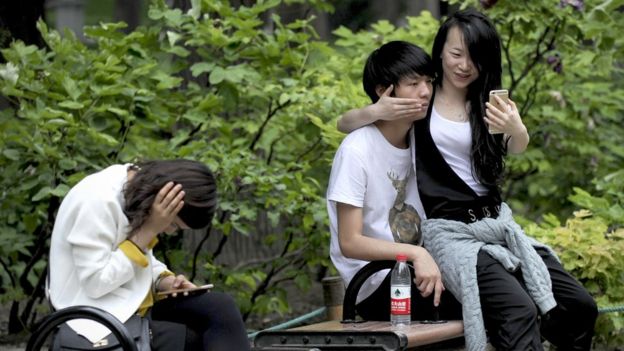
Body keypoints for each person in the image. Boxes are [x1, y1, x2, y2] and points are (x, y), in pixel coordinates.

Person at [337, 8, 597, 351]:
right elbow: (348, 124)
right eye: (456, 54)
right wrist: (377, 110)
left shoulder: (485, 103)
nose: (463, 65)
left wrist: (518, 129)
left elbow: (514, 146)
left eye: (474, 57)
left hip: (495, 225)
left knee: (580, 305)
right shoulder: (420, 106)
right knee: (517, 308)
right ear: (440, 52)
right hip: (450, 235)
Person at [48, 159, 250, 351]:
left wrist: (164, 281)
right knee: (192, 340)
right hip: (95, 315)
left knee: (220, 307)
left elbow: (137, 259)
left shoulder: (133, 191)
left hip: (129, 304)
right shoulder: (96, 201)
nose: (170, 231)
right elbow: (96, 282)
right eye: (173, 224)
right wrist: (148, 231)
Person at [327, 40, 462, 323]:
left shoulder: (422, 137)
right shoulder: (356, 150)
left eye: (428, 81)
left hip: (423, 267)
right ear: (383, 91)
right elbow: (349, 242)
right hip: (376, 282)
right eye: (412, 83)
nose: (425, 92)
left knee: (500, 287)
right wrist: (415, 254)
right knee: (485, 304)